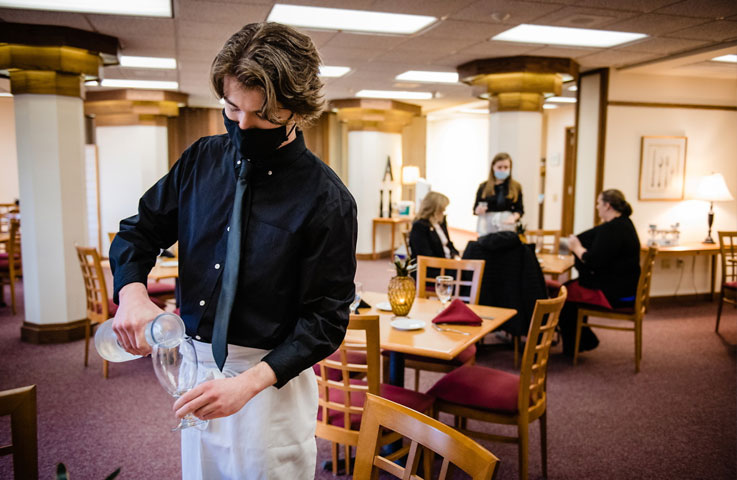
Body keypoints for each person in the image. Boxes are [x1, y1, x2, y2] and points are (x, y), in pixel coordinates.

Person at [109, 22, 357, 479]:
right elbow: (137, 232)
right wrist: (132, 293)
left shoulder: (327, 200)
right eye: (230, 107)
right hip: (194, 369)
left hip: (269, 384)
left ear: (297, 111)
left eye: (262, 116)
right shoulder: (202, 159)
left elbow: (326, 320)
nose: (242, 124)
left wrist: (249, 384)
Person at [558, 189, 641, 355]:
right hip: (625, 286)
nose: (597, 207)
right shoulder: (623, 223)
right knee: (569, 289)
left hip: (616, 293)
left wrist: (577, 247)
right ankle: (581, 341)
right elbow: (590, 238)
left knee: (562, 296)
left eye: (598, 203)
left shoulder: (612, 230)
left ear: (607, 206)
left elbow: (592, 260)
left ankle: (581, 343)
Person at [473, 152, 524, 234]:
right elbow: (475, 209)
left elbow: (520, 209)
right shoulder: (483, 187)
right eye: (499, 167)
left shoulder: (516, 187)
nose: (503, 170)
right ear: (493, 167)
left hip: (507, 226)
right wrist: (478, 210)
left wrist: (513, 217)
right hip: (487, 227)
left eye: (506, 167)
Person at [409, 191, 459, 260]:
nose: (444, 211)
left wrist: (455, 255)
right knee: (472, 247)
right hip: (436, 266)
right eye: (442, 209)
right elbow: (425, 256)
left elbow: (448, 244)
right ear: (434, 209)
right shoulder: (420, 226)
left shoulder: (440, 223)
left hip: (447, 261)